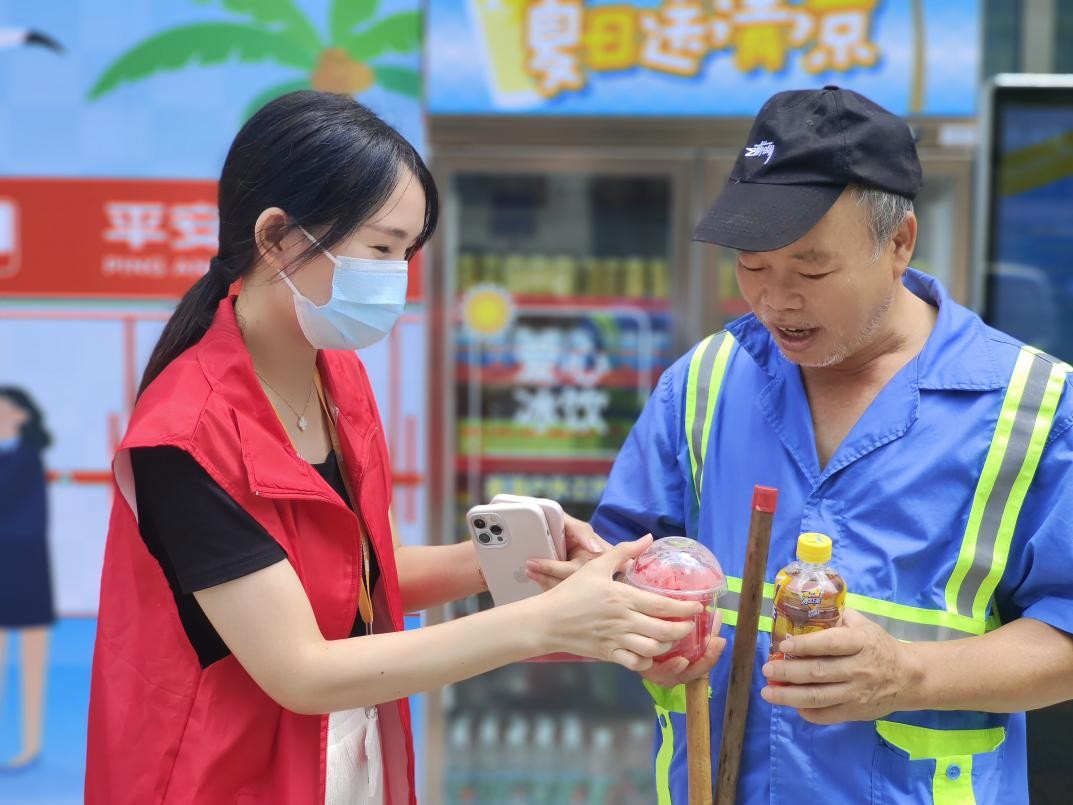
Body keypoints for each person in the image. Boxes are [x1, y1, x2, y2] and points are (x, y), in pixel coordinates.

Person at [85, 91, 700, 805]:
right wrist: (537, 625)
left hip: (344, 753)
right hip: (225, 775)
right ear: (277, 237)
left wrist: (505, 561)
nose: (398, 276)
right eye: (380, 248)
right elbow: (302, 669)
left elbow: (357, 573)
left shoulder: (334, 376)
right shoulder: (183, 436)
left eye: (407, 252)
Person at [535, 86, 1073, 803]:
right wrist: (640, 633)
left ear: (899, 242)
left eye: (810, 269)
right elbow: (624, 572)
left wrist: (909, 674)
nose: (774, 300)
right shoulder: (703, 382)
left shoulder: (1028, 407)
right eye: (751, 267)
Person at [0, 386, 54, 771]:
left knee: (32, 654)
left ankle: (30, 744)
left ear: (21, 415)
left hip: (25, 560)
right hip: (7, 558)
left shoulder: (27, 457)